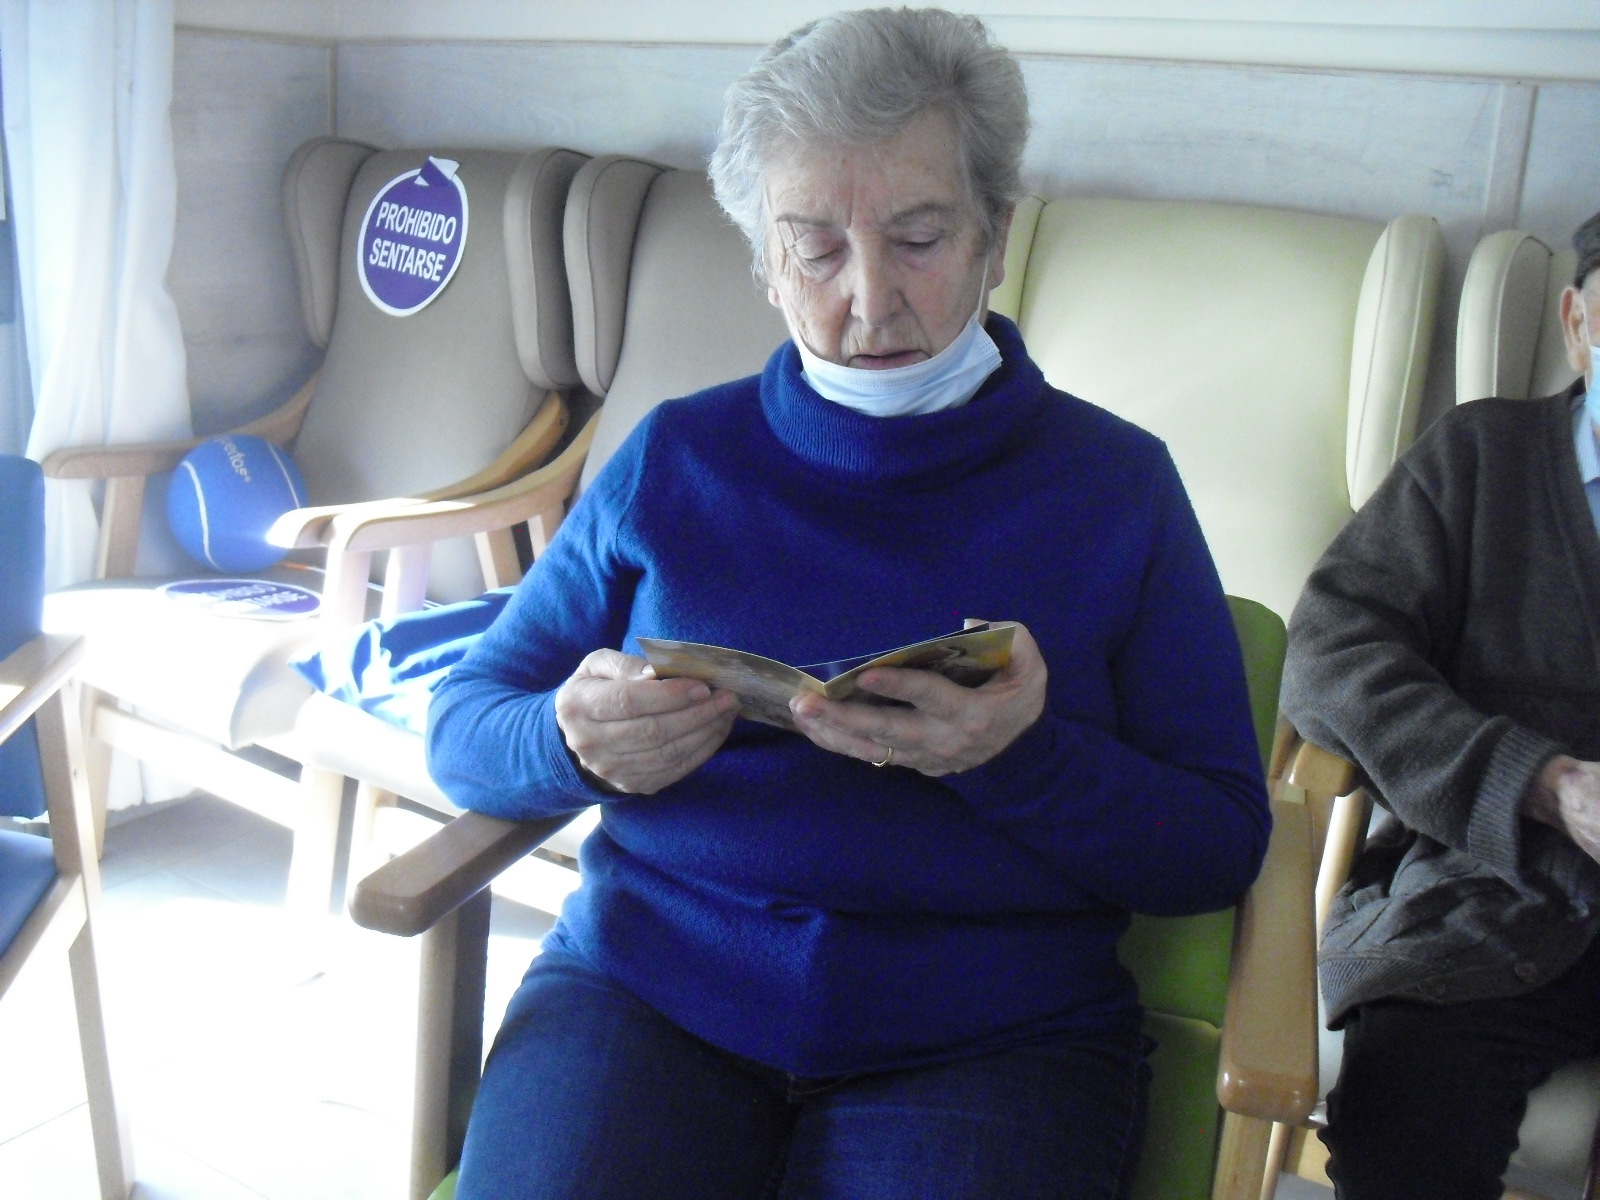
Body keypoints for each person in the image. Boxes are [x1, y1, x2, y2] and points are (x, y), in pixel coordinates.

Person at [427, 9, 1269, 1198]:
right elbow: (463, 722)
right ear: (763, 261)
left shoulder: (1117, 488)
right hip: (650, 991)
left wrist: (1018, 757)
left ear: (995, 235)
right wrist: (571, 741)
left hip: (994, 1037)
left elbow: (1216, 846)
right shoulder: (677, 458)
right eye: (814, 249)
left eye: (918, 238)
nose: (870, 301)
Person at [1281, 213, 1600, 1200]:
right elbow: (1330, 658)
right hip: (1488, 895)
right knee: (1405, 1124)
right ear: (1577, 323)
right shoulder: (1481, 458)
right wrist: (1542, 785)